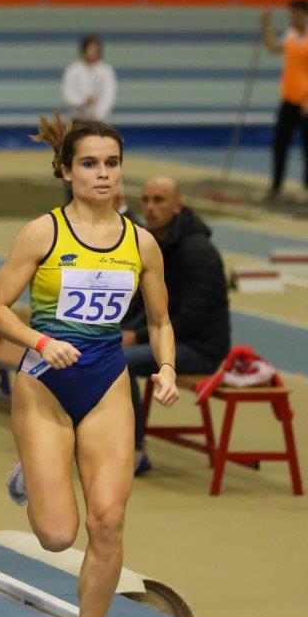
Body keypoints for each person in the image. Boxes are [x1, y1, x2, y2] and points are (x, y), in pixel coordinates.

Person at [0, 114, 178, 617]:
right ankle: (32, 470)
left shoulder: (141, 243)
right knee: (57, 536)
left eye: (111, 163)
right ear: (66, 171)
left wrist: (165, 368)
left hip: (107, 379)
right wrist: (41, 342)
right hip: (46, 380)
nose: (102, 174)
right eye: (89, 163)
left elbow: (160, 320)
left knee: (108, 522)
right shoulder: (43, 233)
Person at [122, 177, 230, 474]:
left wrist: (137, 337)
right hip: (168, 338)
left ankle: (134, 450)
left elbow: (191, 318)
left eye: (158, 200)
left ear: (178, 206)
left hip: (199, 348)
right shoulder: (159, 243)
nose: (149, 207)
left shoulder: (197, 251)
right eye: (146, 200)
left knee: (120, 363)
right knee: (99, 349)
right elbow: (145, 303)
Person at [262, 0, 308, 200]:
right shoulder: (289, 35)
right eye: (292, 14)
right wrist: (266, 26)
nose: (294, 18)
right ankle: (276, 185)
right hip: (289, 99)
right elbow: (273, 48)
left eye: (298, 14)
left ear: (306, 15)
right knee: (280, 143)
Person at [62, 35, 116, 123]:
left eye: (95, 50)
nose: (92, 52)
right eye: (90, 49)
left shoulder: (106, 71)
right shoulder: (73, 70)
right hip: (76, 119)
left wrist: (97, 117)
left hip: (99, 121)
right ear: (83, 50)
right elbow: (69, 96)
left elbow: (108, 96)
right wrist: (84, 101)